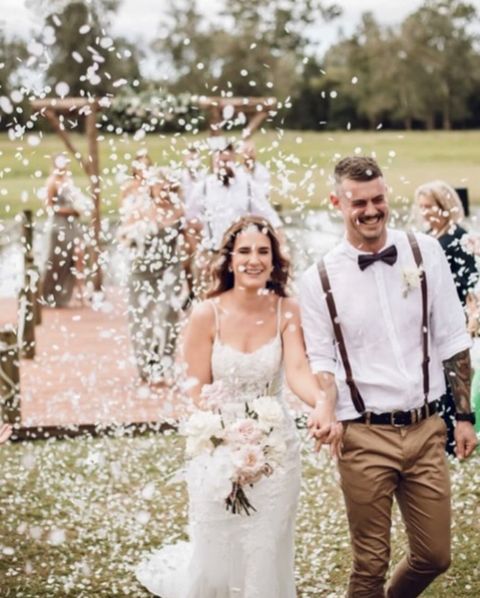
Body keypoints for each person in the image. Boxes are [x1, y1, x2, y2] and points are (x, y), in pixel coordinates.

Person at [299, 156, 477, 597]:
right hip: (362, 435)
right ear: (337, 202)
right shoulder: (318, 278)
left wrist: (464, 415)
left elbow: (453, 338)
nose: (371, 210)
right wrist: (326, 405)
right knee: (370, 564)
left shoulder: (424, 252)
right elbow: (321, 360)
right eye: (359, 202)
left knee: (435, 556)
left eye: (378, 198)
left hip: (426, 428)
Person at [136, 215, 340, 597]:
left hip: (276, 448)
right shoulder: (205, 313)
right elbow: (196, 386)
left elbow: (296, 371)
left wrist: (322, 403)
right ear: (229, 260)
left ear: (275, 260)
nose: (254, 260)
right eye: (244, 251)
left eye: (263, 251)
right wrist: (224, 433)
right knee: (217, 548)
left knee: (265, 546)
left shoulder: (288, 310)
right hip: (215, 443)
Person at [415, 180, 479, 454]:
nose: (425, 212)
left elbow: (471, 286)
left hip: (453, 318)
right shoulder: (428, 235)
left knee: (454, 373)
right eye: (422, 207)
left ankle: (455, 434)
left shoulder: (458, 239)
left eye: (430, 207)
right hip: (428, 318)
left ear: (445, 206)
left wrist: (470, 318)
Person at [118, 153, 186, 384]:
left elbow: (191, 241)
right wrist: (138, 231)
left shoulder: (179, 210)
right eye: (159, 187)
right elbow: (122, 236)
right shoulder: (140, 208)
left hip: (170, 268)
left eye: (166, 187)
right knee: (143, 319)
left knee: (168, 313)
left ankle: (166, 363)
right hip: (141, 270)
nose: (163, 192)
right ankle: (148, 367)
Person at [186, 143, 282, 298]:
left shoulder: (247, 185)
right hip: (211, 253)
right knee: (206, 302)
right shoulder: (203, 187)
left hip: (240, 255)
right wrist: (198, 252)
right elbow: (189, 222)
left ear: (234, 160)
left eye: (227, 161)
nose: (223, 165)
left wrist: (281, 250)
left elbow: (271, 218)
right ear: (213, 162)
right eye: (219, 162)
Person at [42, 154, 87, 307]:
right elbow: (49, 206)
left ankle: (77, 294)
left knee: (76, 256)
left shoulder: (69, 180)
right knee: (56, 260)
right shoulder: (52, 182)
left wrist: (78, 209)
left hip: (72, 224)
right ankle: (47, 293)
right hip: (58, 225)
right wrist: (69, 210)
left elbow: (76, 200)